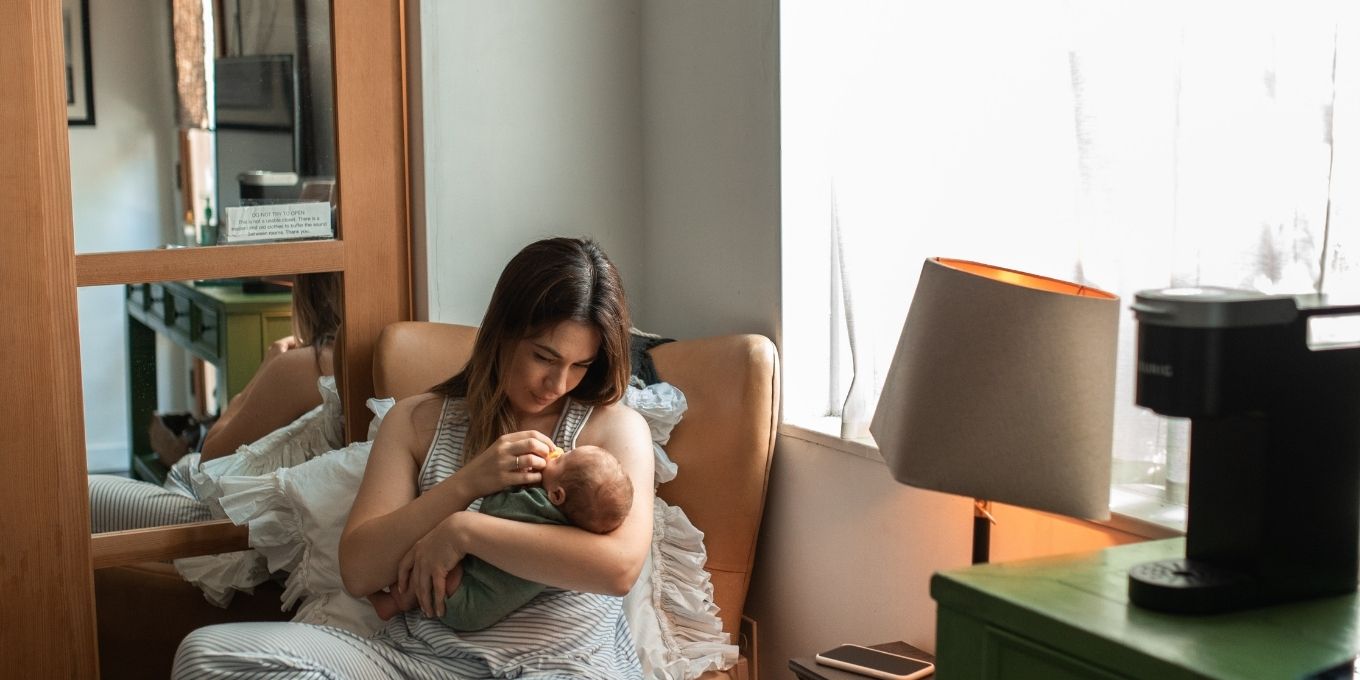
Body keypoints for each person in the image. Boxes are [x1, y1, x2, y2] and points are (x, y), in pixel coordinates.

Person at [174, 237, 655, 679]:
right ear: (500, 334)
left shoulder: (612, 428)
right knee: (208, 654)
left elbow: (617, 569)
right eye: (545, 357)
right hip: (417, 663)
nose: (559, 384)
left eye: (580, 366)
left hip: (562, 665)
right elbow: (360, 570)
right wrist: (466, 485)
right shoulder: (417, 421)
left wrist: (464, 531)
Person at [89, 272, 342, 532]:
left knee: (89, 495)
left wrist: (262, 373)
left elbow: (209, 461)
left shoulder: (303, 367)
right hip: (303, 520)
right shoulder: (370, 356)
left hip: (245, 531)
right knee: (174, 475)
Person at [367, 444, 634, 630]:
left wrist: (510, 481)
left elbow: (493, 511)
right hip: (481, 607)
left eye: (562, 460)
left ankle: (394, 602)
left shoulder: (536, 506)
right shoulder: (571, 532)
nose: (558, 453)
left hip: (469, 596)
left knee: (431, 560)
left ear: (556, 496)